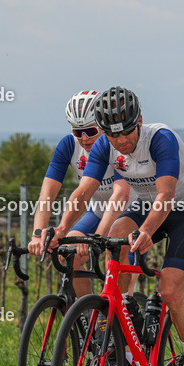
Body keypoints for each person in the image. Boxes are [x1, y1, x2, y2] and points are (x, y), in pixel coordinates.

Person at [56, 86, 184, 366]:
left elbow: (167, 195)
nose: (122, 140)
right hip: (146, 204)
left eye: (127, 131)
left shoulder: (160, 139)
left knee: (170, 290)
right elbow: (83, 192)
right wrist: (60, 230)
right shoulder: (104, 145)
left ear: (139, 121)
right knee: (116, 234)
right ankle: (125, 317)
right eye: (113, 135)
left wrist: (147, 231)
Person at [28, 90, 128, 298]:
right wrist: (38, 234)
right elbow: (47, 195)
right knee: (68, 254)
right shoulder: (68, 146)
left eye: (90, 131)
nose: (84, 138)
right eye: (77, 131)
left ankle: (124, 308)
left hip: (128, 211)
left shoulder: (118, 145)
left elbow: (120, 196)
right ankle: (89, 312)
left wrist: (96, 238)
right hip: (98, 211)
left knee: (114, 262)